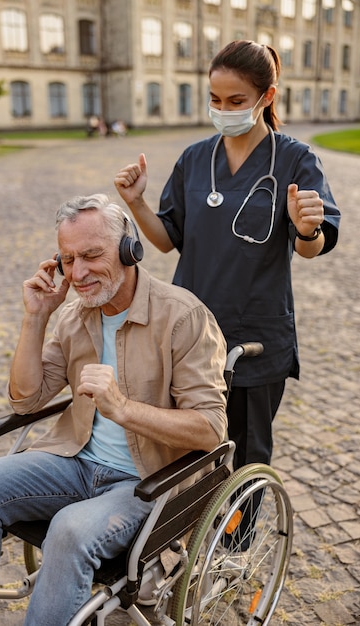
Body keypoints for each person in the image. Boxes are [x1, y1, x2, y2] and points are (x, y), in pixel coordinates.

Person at [0, 194, 228, 626]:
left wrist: (124, 409)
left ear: (129, 248)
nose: (78, 273)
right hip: (73, 463)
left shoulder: (183, 317)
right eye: (69, 259)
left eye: (92, 255)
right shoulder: (74, 317)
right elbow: (25, 399)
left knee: (70, 532)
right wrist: (36, 318)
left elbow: (211, 429)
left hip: (146, 483)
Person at [114, 39, 341, 472]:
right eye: (215, 100)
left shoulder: (295, 160)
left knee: (243, 456)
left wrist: (307, 227)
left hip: (253, 335)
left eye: (236, 100)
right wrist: (136, 203)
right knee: (182, 455)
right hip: (187, 333)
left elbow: (311, 246)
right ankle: (190, 534)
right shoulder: (196, 159)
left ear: (266, 96)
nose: (224, 109)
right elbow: (166, 240)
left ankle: (241, 542)